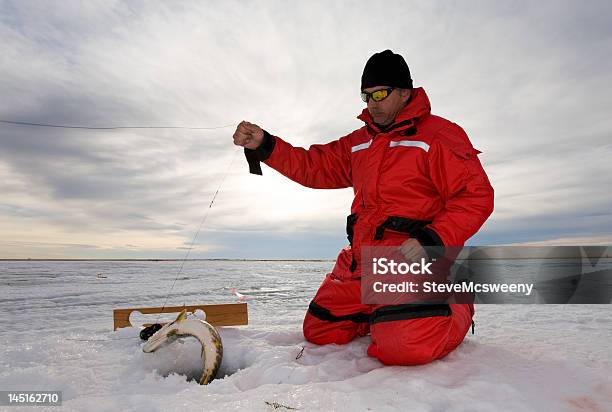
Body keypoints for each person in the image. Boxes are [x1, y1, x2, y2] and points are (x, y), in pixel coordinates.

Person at [232, 49, 494, 365]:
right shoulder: (360, 142)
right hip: (361, 263)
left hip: (412, 260)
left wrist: (433, 239)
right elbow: (314, 167)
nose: (372, 103)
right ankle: (384, 311)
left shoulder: (439, 136)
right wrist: (265, 144)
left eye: (380, 94)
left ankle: (455, 304)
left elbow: (475, 196)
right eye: (366, 95)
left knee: (403, 346)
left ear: (404, 91)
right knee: (320, 330)